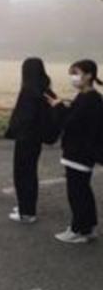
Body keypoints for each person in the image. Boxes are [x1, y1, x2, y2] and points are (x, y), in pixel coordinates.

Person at [46, 59, 103, 243]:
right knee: (83, 190)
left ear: (89, 75)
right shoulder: (87, 97)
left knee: (77, 192)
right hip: (81, 152)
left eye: (76, 73)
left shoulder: (90, 99)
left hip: (79, 153)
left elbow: (71, 123)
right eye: (71, 73)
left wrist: (58, 107)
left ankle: (78, 229)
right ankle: (88, 227)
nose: (73, 77)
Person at [5, 58, 55, 224]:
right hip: (36, 139)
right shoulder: (46, 91)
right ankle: (26, 207)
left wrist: (12, 129)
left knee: (22, 174)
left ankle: (26, 212)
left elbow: (22, 118)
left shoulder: (28, 92)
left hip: (25, 139)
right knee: (30, 173)